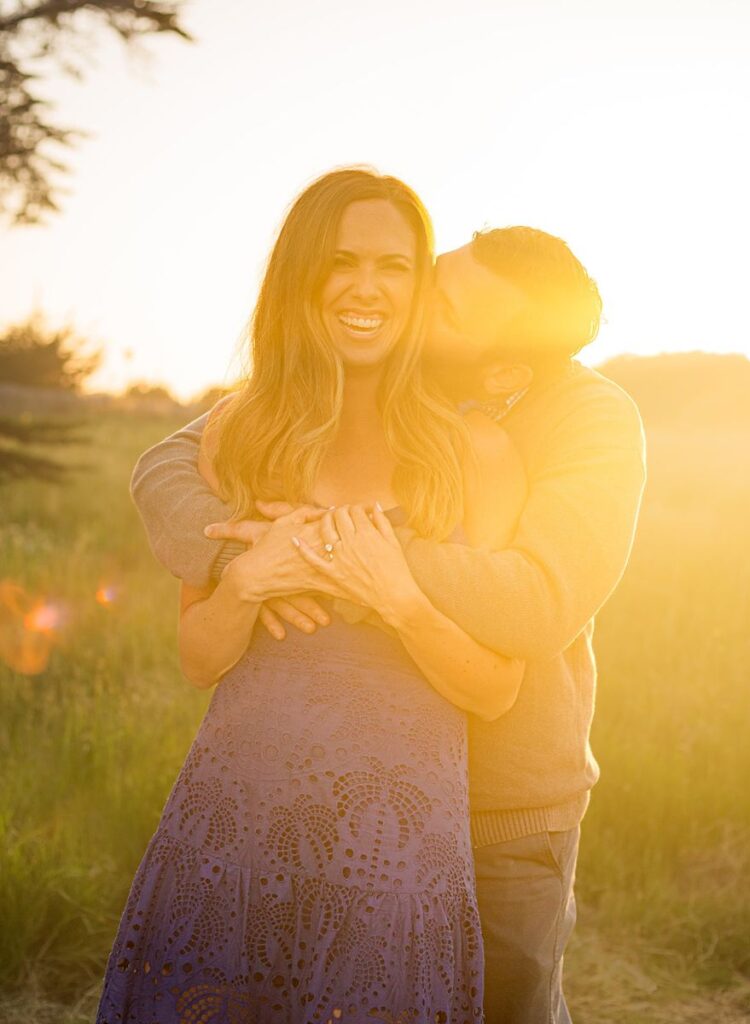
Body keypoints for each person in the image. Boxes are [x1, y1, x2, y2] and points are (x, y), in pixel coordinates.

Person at [130, 215, 647, 1023]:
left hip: (500, 802)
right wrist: (245, 557)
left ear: (503, 366)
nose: (407, 301)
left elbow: (539, 600)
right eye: (430, 273)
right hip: (337, 785)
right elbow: (165, 464)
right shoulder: (364, 388)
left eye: (440, 307)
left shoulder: (588, 418)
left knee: (501, 1007)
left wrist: (349, 555)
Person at [96, 168, 533, 1024]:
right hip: (235, 826)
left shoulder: (474, 453)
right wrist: (246, 582)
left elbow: (494, 689)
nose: (365, 288)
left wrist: (399, 599)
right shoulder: (239, 430)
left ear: (418, 285)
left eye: (393, 266)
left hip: (393, 847)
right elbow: (199, 659)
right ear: (301, 276)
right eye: (340, 262)